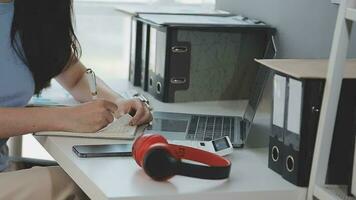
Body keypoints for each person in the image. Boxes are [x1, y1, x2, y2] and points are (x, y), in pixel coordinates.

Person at [0, 0, 152, 199]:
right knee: (80, 184)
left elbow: (76, 77)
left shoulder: (32, 10)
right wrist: (64, 118)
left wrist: (118, 103)